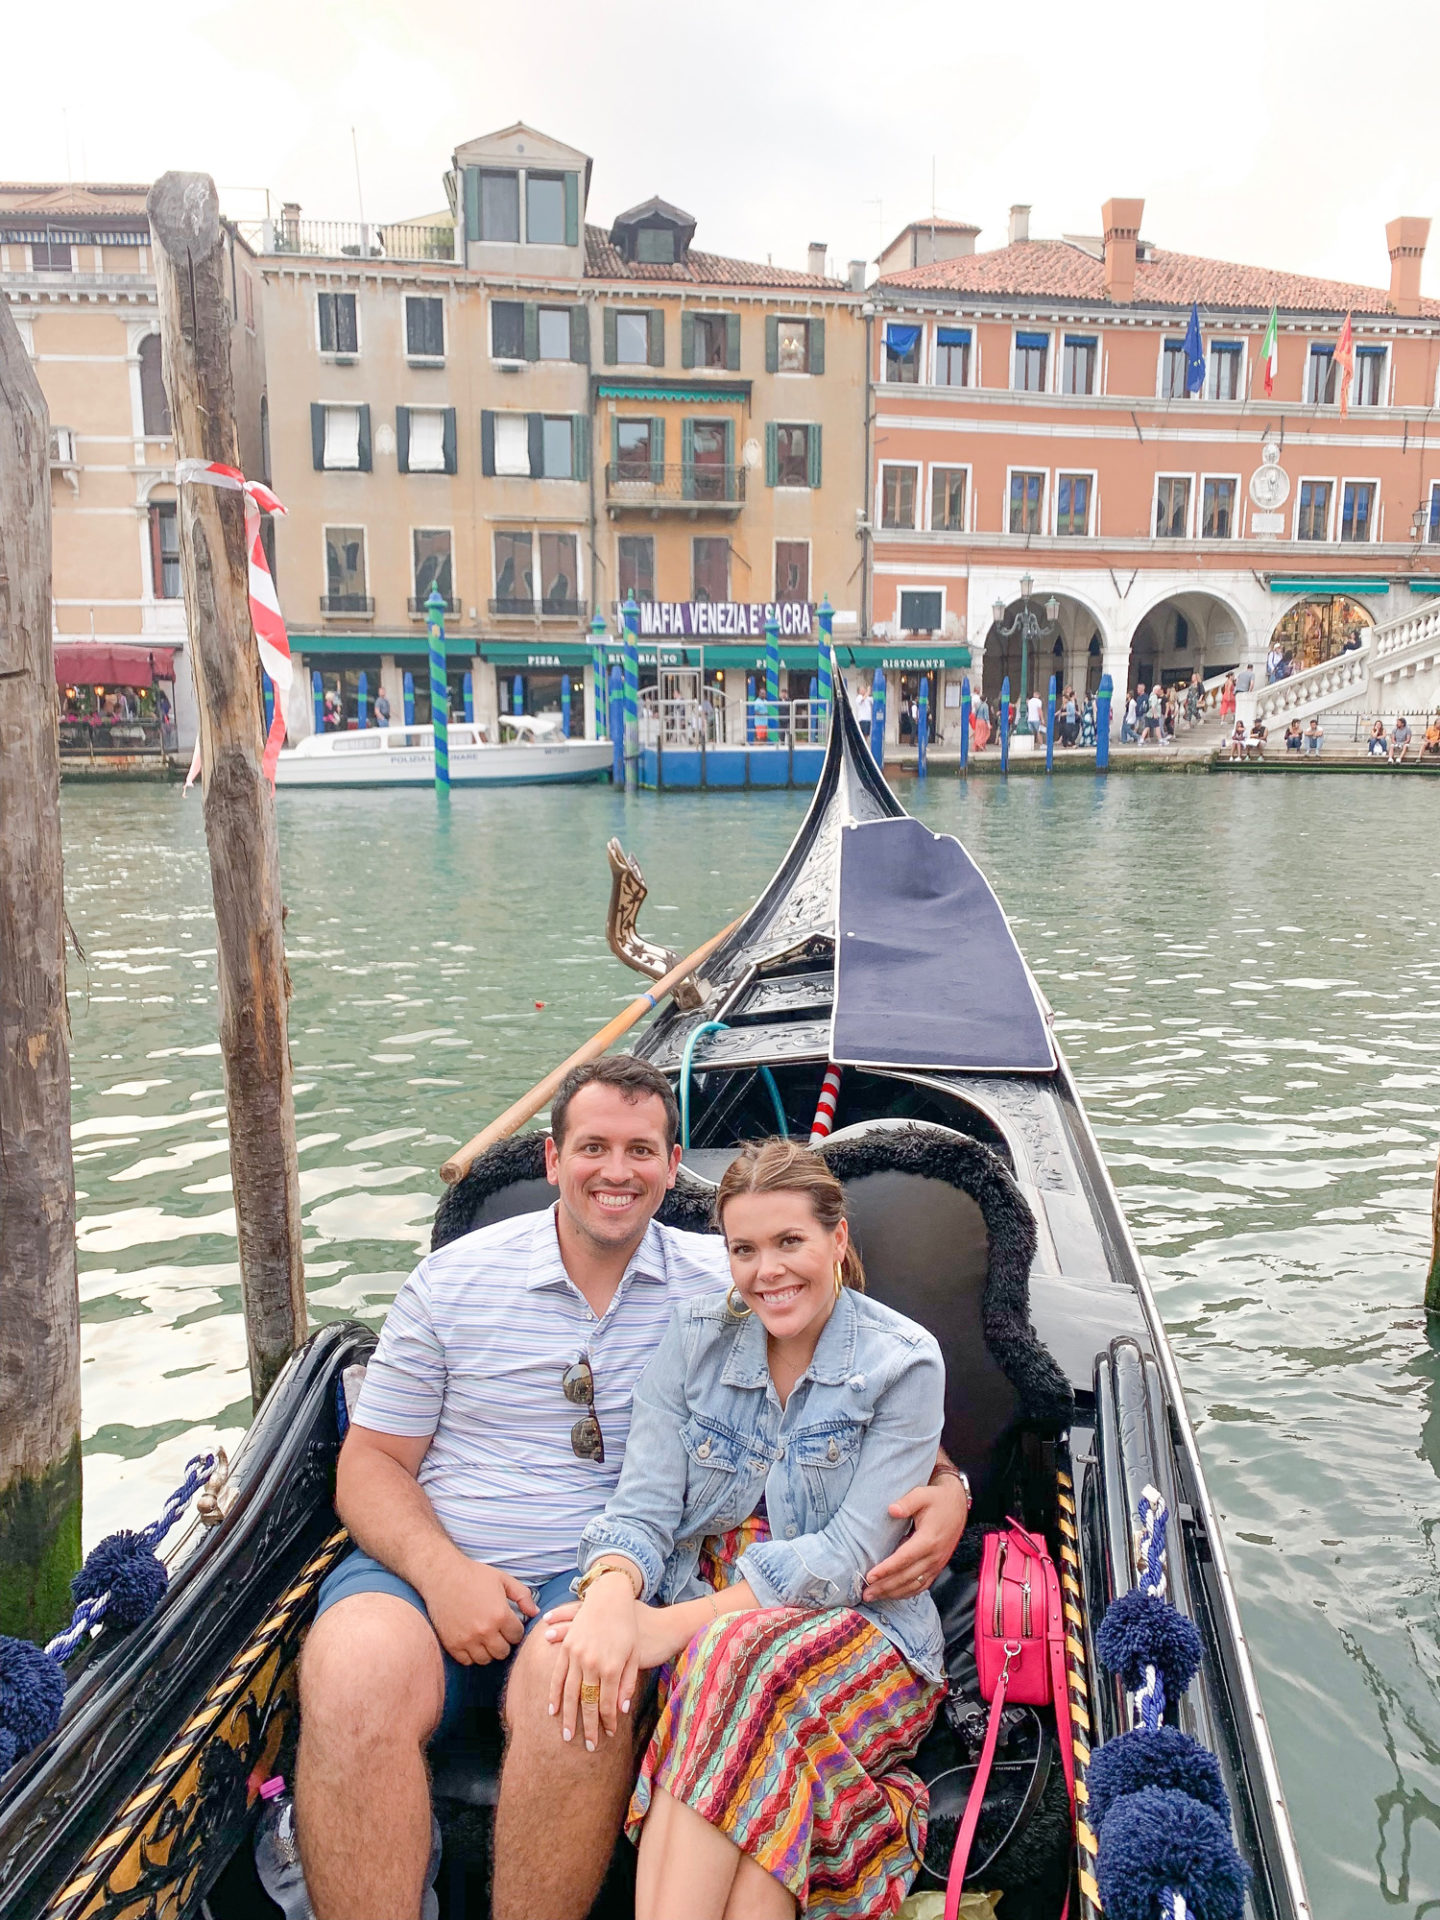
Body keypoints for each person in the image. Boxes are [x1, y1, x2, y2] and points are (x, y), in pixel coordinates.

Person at [295, 1059, 966, 1920]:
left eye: (639, 1149)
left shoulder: (721, 1279)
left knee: (580, 1686)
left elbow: (860, 1393)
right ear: (551, 1159)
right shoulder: (454, 1281)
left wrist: (947, 1485)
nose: (616, 1171)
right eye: (594, 1147)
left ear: (670, 1163)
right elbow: (369, 1463)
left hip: (601, 1583)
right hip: (434, 1569)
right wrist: (442, 1574)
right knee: (352, 1675)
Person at [545, 1140, 948, 1920]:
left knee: (723, 1655)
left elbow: (845, 1560)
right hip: (722, 1637)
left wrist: (663, 1629)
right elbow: (643, 1505)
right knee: (753, 1756)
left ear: (837, 1240)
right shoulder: (696, 1337)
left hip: (862, 1629)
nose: (769, 1271)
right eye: (745, 1249)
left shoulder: (903, 1362)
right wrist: (609, 1595)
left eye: (790, 1242)